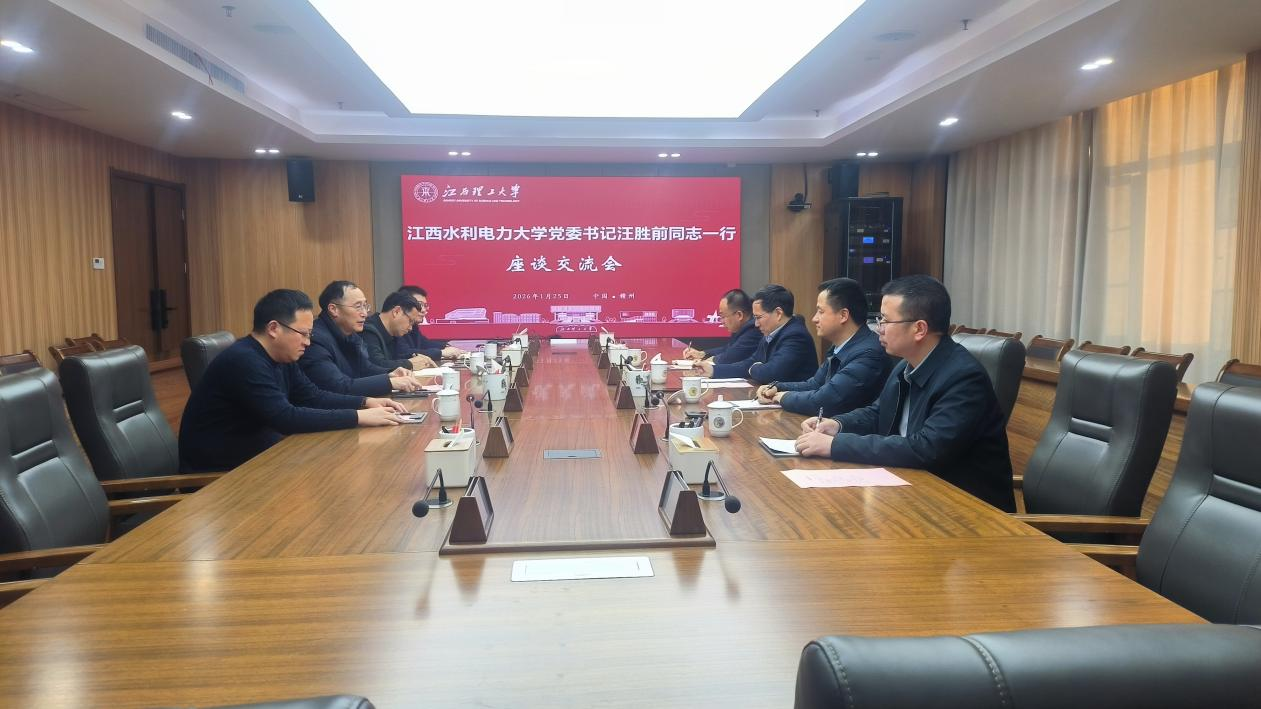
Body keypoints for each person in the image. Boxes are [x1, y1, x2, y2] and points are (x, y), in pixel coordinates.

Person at [794, 275, 1015, 512]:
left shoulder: (964, 378)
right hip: (914, 492)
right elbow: (878, 413)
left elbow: (926, 448)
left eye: (885, 320)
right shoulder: (905, 365)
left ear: (919, 329)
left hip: (966, 510)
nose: (879, 329)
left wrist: (835, 445)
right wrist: (837, 425)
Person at [179, 289, 408, 472]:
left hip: (263, 459)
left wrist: (365, 402)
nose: (308, 342)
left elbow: (312, 396)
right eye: (303, 334)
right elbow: (285, 418)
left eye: (310, 334)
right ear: (273, 328)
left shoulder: (282, 356)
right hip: (222, 475)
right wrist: (358, 416)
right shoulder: (244, 360)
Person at [755, 278, 891, 417]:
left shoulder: (869, 354)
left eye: (820, 311)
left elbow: (824, 401)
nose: (814, 319)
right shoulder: (840, 346)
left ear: (843, 315)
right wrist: (777, 387)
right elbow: (814, 384)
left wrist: (782, 397)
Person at [300, 280, 420, 396]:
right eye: (358, 307)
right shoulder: (316, 340)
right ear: (333, 309)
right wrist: (389, 383)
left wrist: (390, 374)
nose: (364, 314)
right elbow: (337, 386)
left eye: (365, 306)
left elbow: (365, 369)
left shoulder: (351, 335)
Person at [701, 284, 817, 384]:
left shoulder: (796, 336)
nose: (756, 324)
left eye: (758, 317)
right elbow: (750, 362)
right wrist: (713, 370)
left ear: (778, 313)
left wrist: (752, 368)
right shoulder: (770, 333)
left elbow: (771, 373)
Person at [682, 289, 759, 365]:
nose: (721, 321)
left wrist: (706, 361)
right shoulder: (741, 327)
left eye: (723, 316)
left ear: (739, 315)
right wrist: (702, 354)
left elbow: (730, 357)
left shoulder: (754, 329)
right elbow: (728, 349)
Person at [395, 285, 465, 364]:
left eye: (425, 305)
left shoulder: (413, 326)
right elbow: (404, 353)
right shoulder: (396, 327)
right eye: (419, 305)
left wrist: (447, 346)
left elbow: (424, 343)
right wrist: (442, 353)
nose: (424, 310)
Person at [363, 291, 431, 372]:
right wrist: (410, 363)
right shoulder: (368, 330)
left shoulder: (394, 331)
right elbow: (377, 364)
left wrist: (417, 358)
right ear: (396, 311)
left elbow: (399, 355)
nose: (410, 328)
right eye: (410, 321)